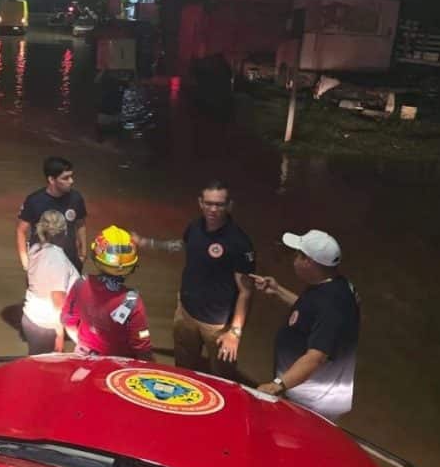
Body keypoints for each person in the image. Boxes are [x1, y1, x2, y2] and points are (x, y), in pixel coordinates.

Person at [132, 180, 255, 378]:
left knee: (223, 376)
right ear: (200, 203)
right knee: (183, 369)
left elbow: (246, 291)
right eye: (208, 203)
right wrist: (146, 242)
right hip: (186, 312)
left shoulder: (239, 243)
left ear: (229, 206)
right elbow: (181, 246)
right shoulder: (195, 226)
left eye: (219, 204)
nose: (213, 209)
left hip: (217, 323)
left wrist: (235, 333)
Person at [254, 230, 360, 421]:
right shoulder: (334, 284)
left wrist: (277, 385)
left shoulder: (333, 304)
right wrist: (277, 290)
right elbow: (311, 313)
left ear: (309, 262)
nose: (294, 260)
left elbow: (316, 357)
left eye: (298, 255)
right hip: (304, 389)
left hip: (312, 400)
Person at [62, 226, 153, 360]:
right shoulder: (131, 301)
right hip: (117, 367)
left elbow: (68, 321)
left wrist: (87, 346)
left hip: (84, 360)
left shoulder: (81, 284)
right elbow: (142, 347)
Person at [21, 210, 81, 354]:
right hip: (47, 325)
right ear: (64, 233)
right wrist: (59, 334)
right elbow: (58, 302)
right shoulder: (56, 259)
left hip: (32, 317)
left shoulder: (36, 249)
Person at [17, 156, 88, 272]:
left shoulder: (76, 199)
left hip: (70, 263)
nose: (71, 181)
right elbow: (21, 231)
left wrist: (83, 255)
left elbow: (81, 225)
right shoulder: (34, 201)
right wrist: (25, 262)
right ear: (51, 180)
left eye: (71, 176)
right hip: (41, 264)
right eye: (65, 178)